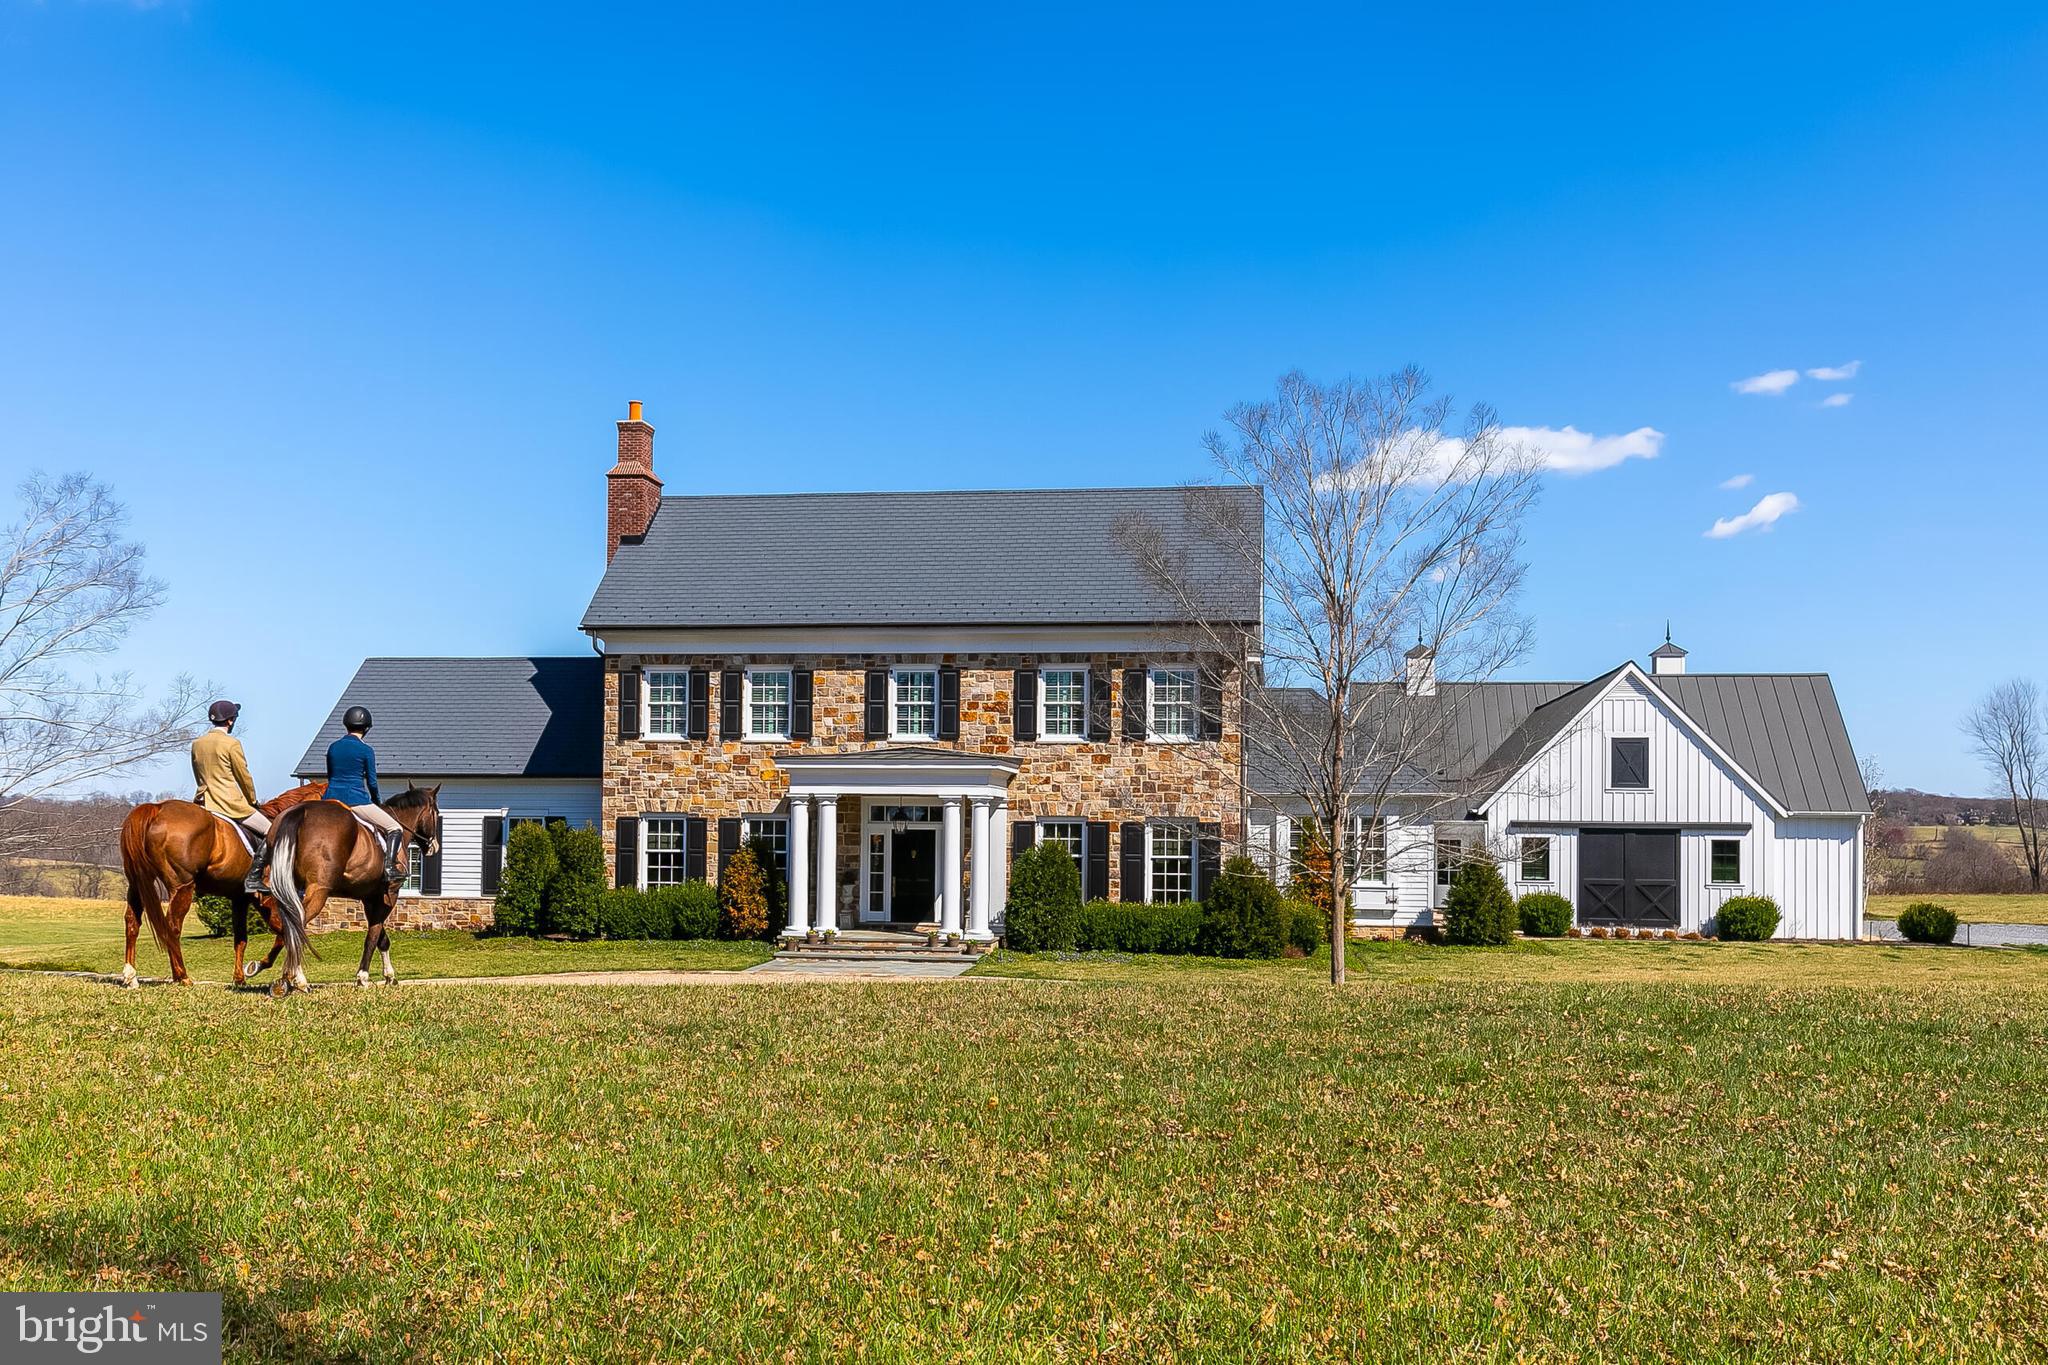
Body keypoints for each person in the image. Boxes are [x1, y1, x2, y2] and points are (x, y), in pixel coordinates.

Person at [191, 700, 272, 893]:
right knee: (272, 831)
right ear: (230, 721)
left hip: (204, 801)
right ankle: (254, 877)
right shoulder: (232, 743)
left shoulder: (197, 743)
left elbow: (197, 774)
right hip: (229, 803)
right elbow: (243, 775)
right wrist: (252, 800)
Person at [325, 705, 406, 884]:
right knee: (395, 828)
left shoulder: (333, 747)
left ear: (346, 724)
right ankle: (390, 868)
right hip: (356, 800)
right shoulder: (366, 750)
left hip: (330, 800)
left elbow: (331, 776)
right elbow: (371, 782)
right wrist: (377, 802)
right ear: (366, 728)